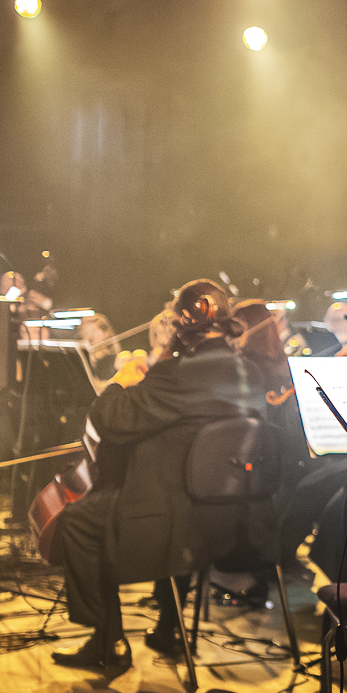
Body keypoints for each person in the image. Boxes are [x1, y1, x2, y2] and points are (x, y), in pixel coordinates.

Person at [49, 280, 275, 672]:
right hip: (237, 524)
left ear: (183, 326)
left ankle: (107, 640)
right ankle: (168, 627)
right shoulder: (251, 373)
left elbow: (111, 420)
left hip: (175, 526)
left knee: (77, 522)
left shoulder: (177, 374)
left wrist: (123, 380)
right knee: (183, 493)